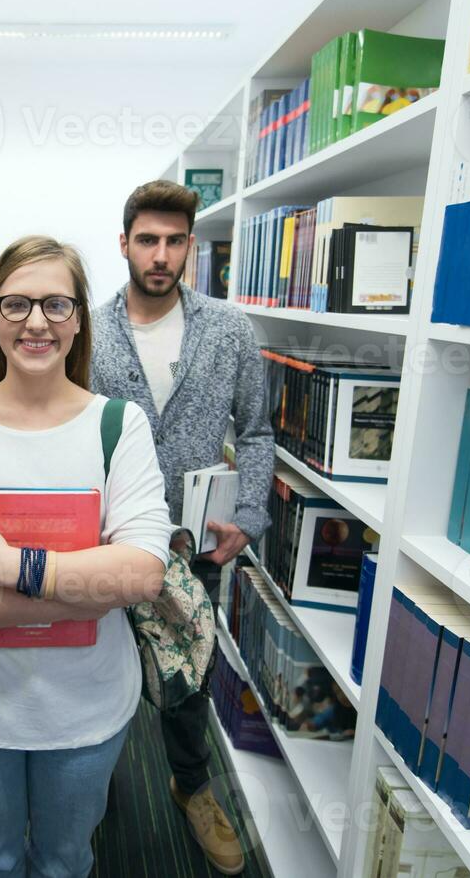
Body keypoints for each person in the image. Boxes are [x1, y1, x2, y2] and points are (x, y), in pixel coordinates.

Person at [0, 236, 172, 878]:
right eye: (15, 304)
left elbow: (142, 573)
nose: (36, 323)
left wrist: (11, 568)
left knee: (65, 861)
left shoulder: (118, 427)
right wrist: (80, 586)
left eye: (55, 305)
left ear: (79, 320)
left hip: (88, 706)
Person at [91, 179, 276, 876]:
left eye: (174, 241)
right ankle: (93, 789)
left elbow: (255, 433)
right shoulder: (86, 324)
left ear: (191, 246)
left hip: (190, 540)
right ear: (124, 244)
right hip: (104, 539)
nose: (160, 255)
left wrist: (250, 516)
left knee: (186, 679)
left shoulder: (229, 329)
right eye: (147, 240)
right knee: (96, 665)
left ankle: (191, 785)